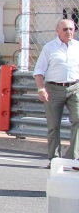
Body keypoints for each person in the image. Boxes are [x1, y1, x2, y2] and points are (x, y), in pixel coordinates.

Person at [34, 18, 79, 161]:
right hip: (53, 89)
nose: (69, 32)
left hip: (74, 88)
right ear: (58, 31)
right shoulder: (50, 47)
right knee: (54, 125)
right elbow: (39, 70)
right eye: (65, 29)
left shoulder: (77, 47)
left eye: (71, 29)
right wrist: (41, 89)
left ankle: (73, 157)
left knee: (78, 119)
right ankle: (54, 159)